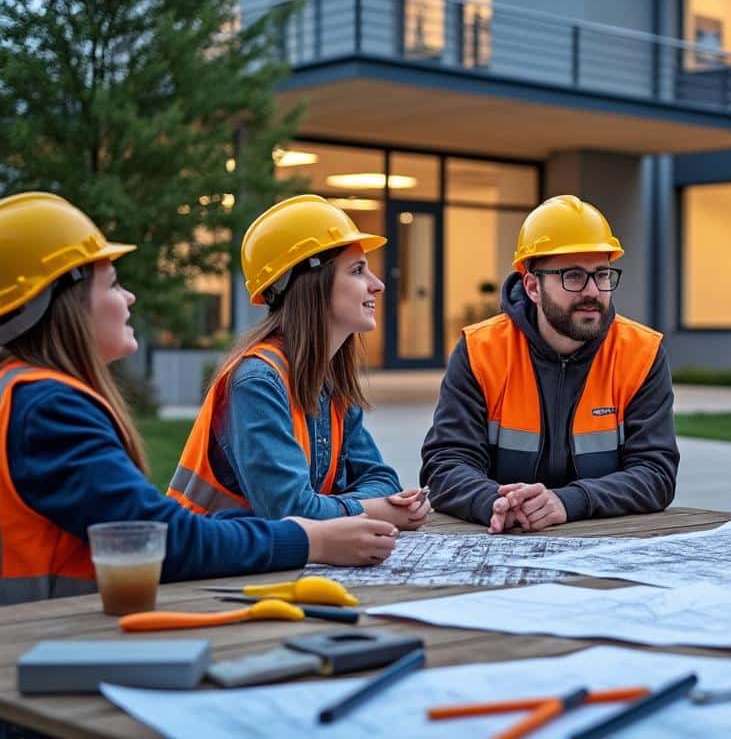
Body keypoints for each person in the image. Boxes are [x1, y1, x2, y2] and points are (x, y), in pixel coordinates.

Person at [0, 192, 394, 605]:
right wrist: (309, 536)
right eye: (114, 283)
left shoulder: (27, 398)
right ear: (60, 302)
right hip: (39, 643)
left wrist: (329, 517)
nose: (130, 297)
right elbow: (161, 538)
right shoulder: (46, 410)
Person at [422, 195, 678, 534]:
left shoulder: (640, 353)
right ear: (532, 286)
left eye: (601, 274)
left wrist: (567, 502)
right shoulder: (481, 350)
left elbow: (656, 474)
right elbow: (444, 465)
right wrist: (496, 503)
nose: (592, 291)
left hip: (606, 542)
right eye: (573, 276)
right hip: (501, 540)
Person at [169, 195, 428, 529]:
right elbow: (290, 511)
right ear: (313, 284)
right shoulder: (257, 383)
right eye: (358, 270)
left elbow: (382, 479)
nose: (377, 285)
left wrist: (354, 506)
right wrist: (375, 510)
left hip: (275, 564)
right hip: (206, 573)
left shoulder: (330, 380)